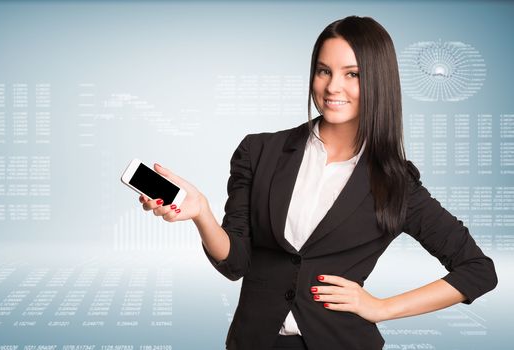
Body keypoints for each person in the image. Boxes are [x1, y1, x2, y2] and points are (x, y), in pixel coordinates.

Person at [137, 15, 498, 350]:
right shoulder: (259, 151)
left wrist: (382, 308)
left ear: (378, 80)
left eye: (352, 74)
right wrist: (202, 213)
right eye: (324, 71)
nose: (332, 86)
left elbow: (478, 271)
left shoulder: (396, 182)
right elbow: (235, 264)